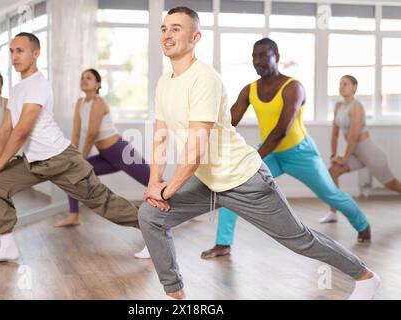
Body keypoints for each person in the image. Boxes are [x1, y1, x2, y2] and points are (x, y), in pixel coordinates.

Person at [138, 7, 380, 300]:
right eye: (164, 28)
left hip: (245, 179)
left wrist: (168, 190)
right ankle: (175, 296)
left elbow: (196, 146)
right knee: (151, 215)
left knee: (299, 239)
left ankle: (365, 276)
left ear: (195, 36)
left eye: (176, 28)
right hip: (209, 181)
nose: (167, 34)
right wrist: (154, 183)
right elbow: (161, 135)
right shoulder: (165, 83)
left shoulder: (204, 79)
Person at [0, 32, 143, 266]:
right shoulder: (16, 90)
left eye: (20, 51)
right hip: (34, 161)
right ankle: (7, 247)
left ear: (36, 54)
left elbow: (22, 130)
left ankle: (153, 229)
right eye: (12, 51)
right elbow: (5, 130)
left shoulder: (38, 84)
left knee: (103, 202)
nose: (14, 56)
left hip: (61, 159)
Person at [201, 38, 372, 261]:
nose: (257, 61)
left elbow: (282, 130)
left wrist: (252, 159)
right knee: (234, 186)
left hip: (300, 153)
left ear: (277, 57)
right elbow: (229, 120)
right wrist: (204, 131)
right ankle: (223, 243)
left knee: (330, 194)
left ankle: (362, 224)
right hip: (270, 152)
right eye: (254, 56)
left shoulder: (293, 87)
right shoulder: (250, 90)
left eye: (263, 55)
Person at [54, 69, 150, 229]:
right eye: (82, 78)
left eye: (89, 78)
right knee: (72, 174)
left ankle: (185, 208)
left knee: (153, 182)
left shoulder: (99, 102)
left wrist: (81, 159)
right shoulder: (80, 103)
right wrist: (73, 156)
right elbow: (76, 134)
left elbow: (91, 134)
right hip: (106, 155)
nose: (84, 80)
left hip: (120, 152)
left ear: (98, 84)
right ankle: (74, 215)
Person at [320, 75, 401, 223]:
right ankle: (333, 212)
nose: (341, 86)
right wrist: (333, 155)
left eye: (345, 84)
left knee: (392, 185)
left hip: (371, 155)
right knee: (333, 171)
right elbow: (335, 133)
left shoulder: (357, 107)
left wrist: (344, 158)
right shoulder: (338, 106)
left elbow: (354, 137)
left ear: (354, 87)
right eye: (340, 84)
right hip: (356, 154)